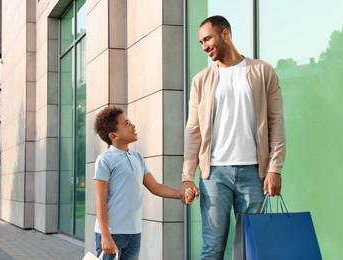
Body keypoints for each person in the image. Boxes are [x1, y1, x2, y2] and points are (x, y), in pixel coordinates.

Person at [180, 15, 286, 259]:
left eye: (207, 39)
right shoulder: (201, 81)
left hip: (254, 173)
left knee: (252, 248)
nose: (204, 46)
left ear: (225, 34)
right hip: (214, 175)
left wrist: (275, 168)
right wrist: (187, 176)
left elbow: (276, 123)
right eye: (200, 42)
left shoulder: (262, 71)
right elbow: (193, 131)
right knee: (212, 249)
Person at [93, 106, 194, 260]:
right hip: (112, 233)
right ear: (113, 135)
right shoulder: (105, 160)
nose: (133, 126)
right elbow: (100, 200)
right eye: (126, 124)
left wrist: (180, 195)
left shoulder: (137, 157)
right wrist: (105, 235)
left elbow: (155, 187)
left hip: (134, 233)